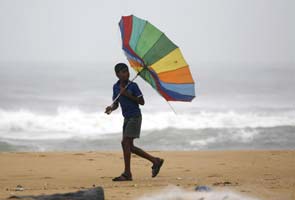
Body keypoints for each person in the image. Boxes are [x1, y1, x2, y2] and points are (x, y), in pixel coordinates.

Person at [105, 63, 164, 181]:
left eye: (127, 71)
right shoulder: (115, 87)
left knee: (125, 143)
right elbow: (116, 103)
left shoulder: (133, 86)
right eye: (123, 72)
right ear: (117, 74)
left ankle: (127, 173)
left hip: (135, 117)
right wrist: (111, 108)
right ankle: (155, 160)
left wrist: (127, 94)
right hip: (126, 118)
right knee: (129, 146)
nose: (127, 73)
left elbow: (142, 102)